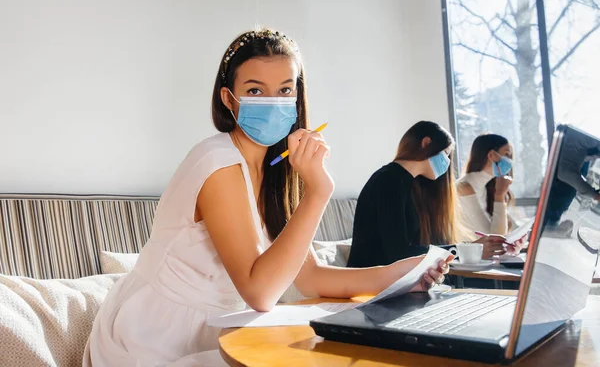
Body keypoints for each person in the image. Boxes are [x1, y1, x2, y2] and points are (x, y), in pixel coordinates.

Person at [84, 29, 452, 366]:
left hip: (222, 327)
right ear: (229, 99)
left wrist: (406, 273)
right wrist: (319, 191)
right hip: (154, 334)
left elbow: (308, 278)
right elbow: (261, 292)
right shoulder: (217, 162)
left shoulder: (278, 170)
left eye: (285, 90)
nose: (273, 102)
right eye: (256, 90)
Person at [347, 121, 510, 269]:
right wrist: (463, 252)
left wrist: (465, 250)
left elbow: (418, 249)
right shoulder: (389, 181)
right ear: (426, 143)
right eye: (446, 154)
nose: (446, 162)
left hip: (394, 280)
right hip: (374, 283)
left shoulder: (408, 184)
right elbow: (398, 254)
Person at [456, 134, 515, 241]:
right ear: (491, 155)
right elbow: (494, 239)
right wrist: (500, 196)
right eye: (507, 155)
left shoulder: (487, 187)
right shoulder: (464, 187)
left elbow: (512, 227)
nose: (510, 161)